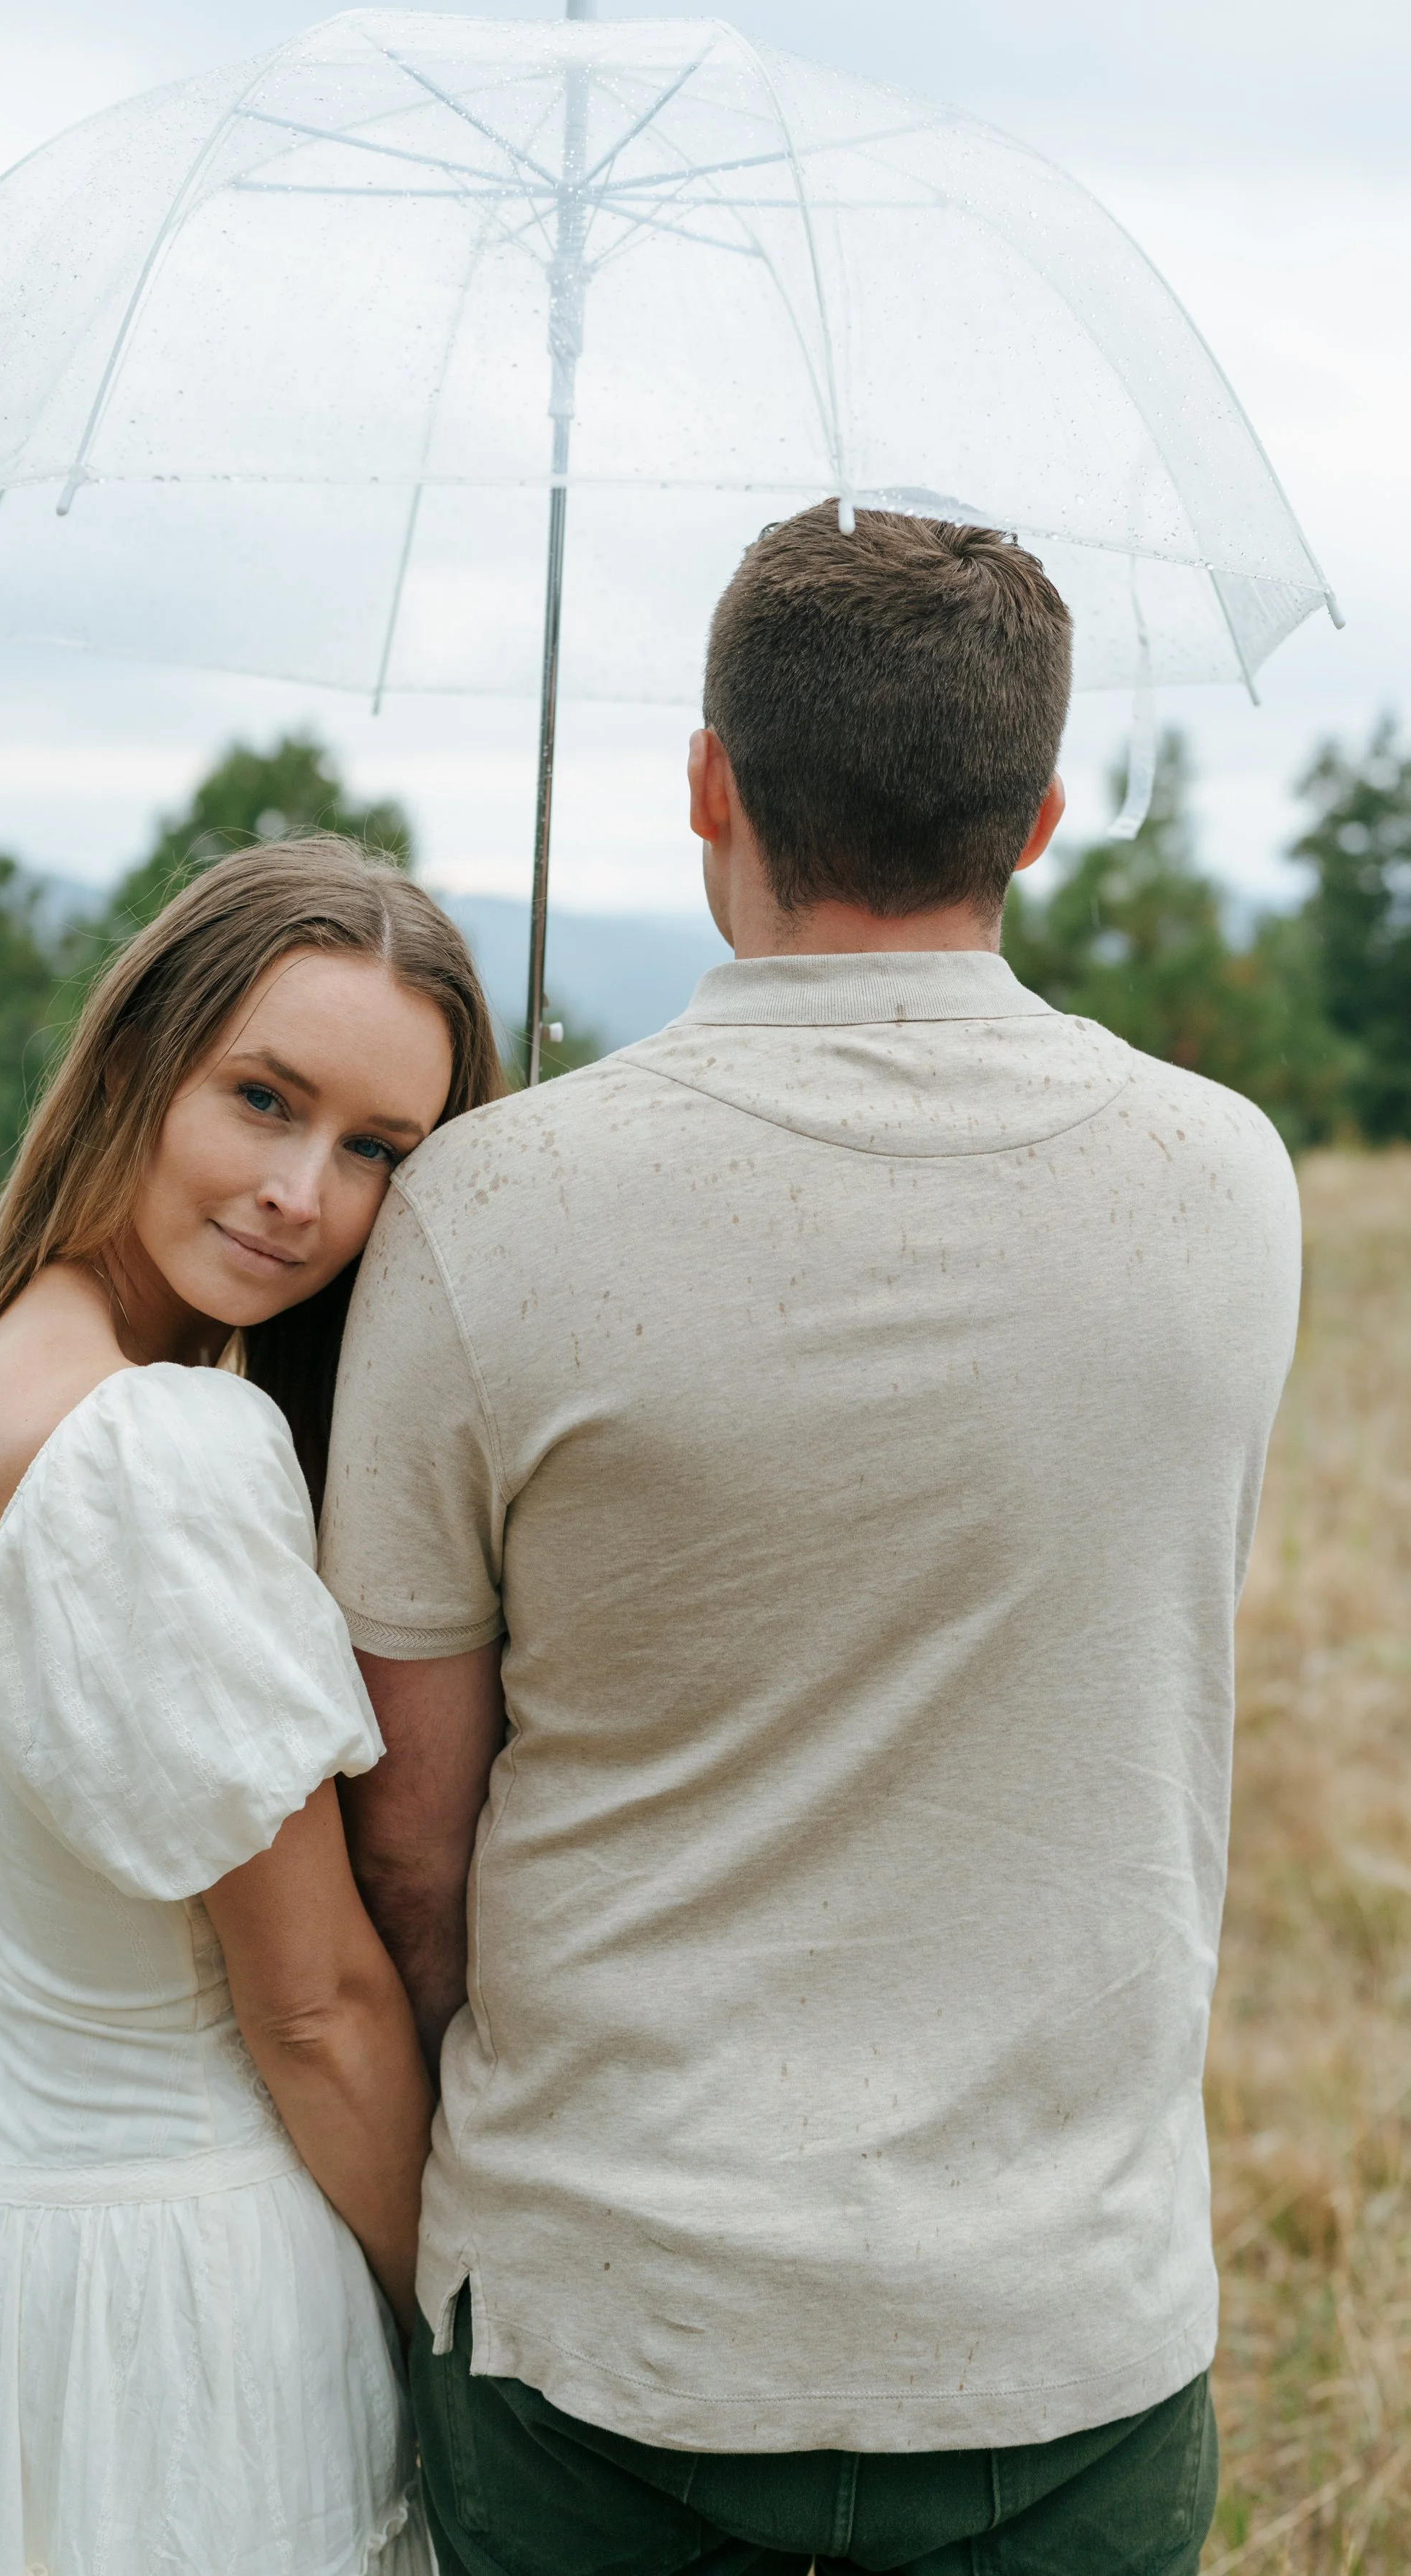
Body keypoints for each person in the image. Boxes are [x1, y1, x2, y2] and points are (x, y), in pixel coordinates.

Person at [322, 504, 1303, 2576]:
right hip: (1066, 2340)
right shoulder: (1227, 1187)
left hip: (605, 2333)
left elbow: (407, 1839)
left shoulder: (483, 1212)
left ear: (705, 778)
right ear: (1034, 816)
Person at [0, 837, 499, 2576]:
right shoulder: (161, 1447)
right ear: (140, 1055)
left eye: (377, 1148)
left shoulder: (16, 1344)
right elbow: (310, 2005)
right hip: (169, 2286)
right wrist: (462, 2348)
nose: (303, 1192)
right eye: (262, 1097)